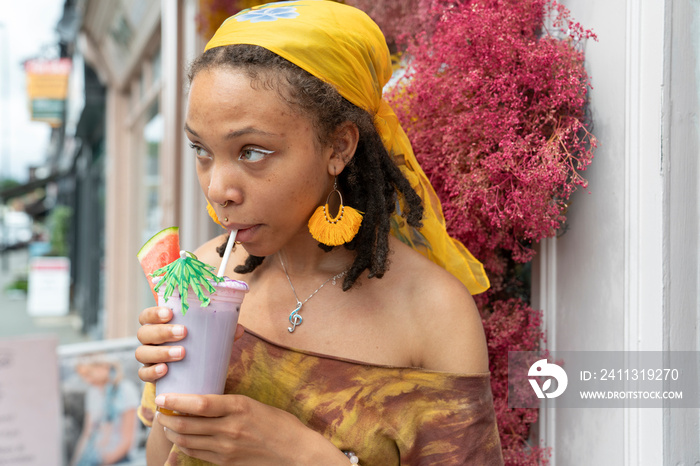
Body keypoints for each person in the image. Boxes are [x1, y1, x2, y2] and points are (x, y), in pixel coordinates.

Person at [135, 1, 503, 464]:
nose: (218, 189)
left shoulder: (432, 314)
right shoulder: (201, 276)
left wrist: (301, 454)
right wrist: (171, 390)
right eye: (201, 149)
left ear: (339, 146)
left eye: (251, 152)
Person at [70, 354, 140, 465]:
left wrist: (105, 462)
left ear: (104, 367)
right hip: (95, 456)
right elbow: (87, 433)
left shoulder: (126, 390)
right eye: (83, 376)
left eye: (89, 374)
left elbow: (128, 439)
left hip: (120, 458)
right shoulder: (92, 393)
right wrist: (75, 461)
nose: (87, 380)